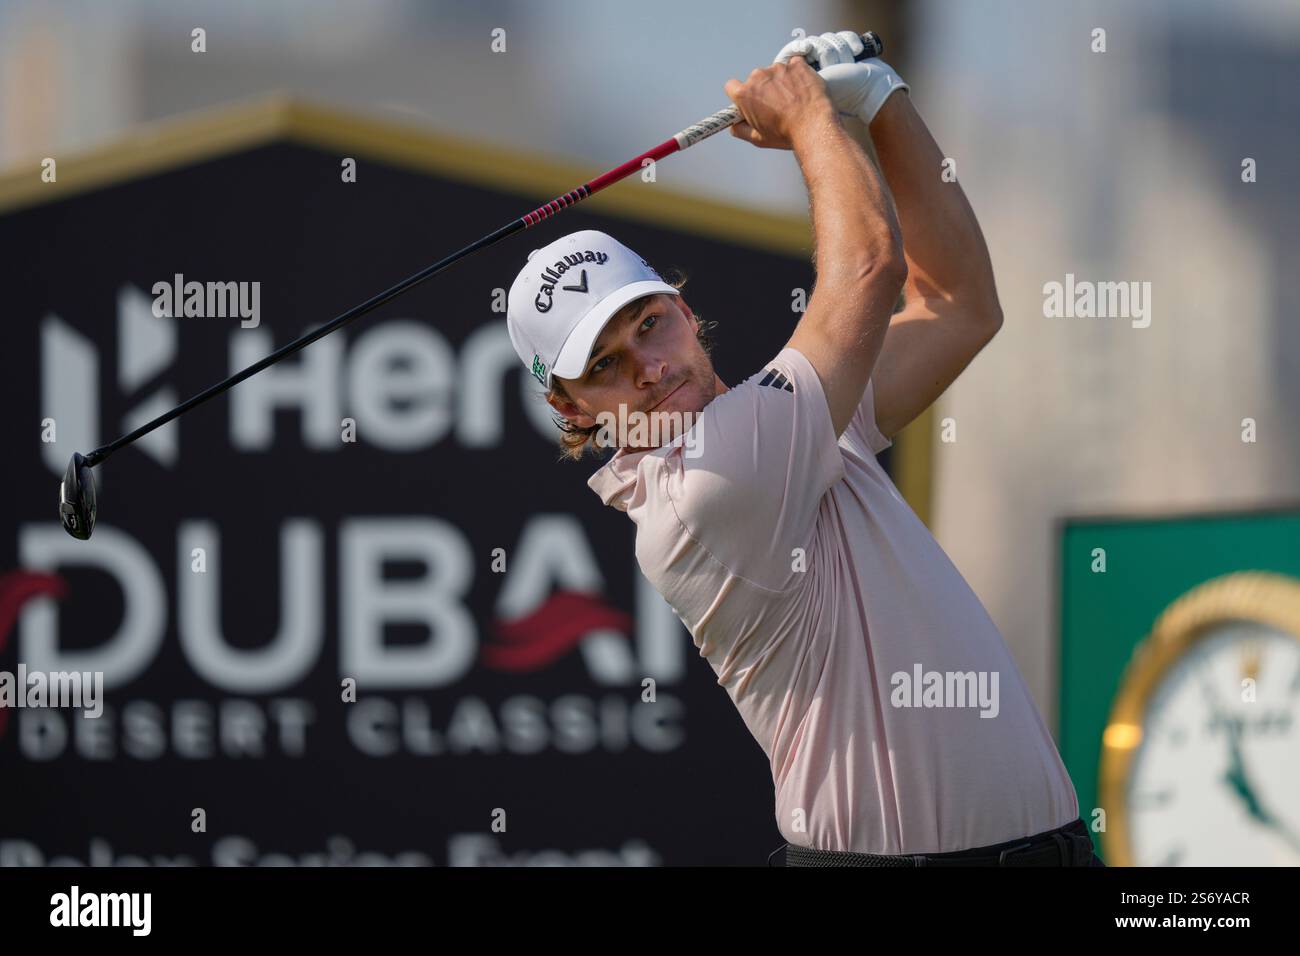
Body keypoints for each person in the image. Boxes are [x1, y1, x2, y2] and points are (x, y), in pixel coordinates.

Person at [506, 30, 1102, 867]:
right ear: (568, 406)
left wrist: (883, 103)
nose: (647, 368)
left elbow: (963, 302)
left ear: (682, 308)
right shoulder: (705, 487)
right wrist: (811, 117)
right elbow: (868, 270)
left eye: (650, 324)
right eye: (606, 366)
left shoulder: (792, 426)